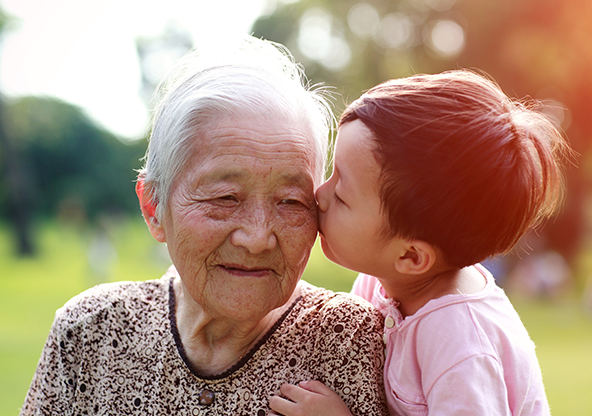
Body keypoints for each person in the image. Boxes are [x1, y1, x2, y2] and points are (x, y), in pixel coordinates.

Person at [20, 35, 389, 416]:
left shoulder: (352, 339)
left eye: (291, 201)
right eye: (225, 198)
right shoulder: (90, 330)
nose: (258, 237)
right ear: (153, 207)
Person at [269, 70, 569, 416]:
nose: (320, 194)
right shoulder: (382, 279)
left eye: (342, 195)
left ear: (411, 255)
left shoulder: (461, 345)